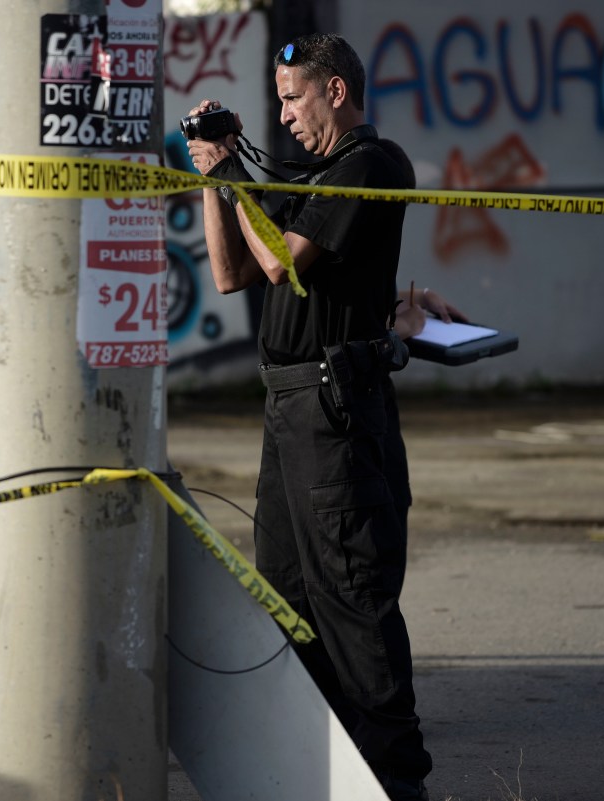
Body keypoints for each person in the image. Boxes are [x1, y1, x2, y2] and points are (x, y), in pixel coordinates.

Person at [185, 32, 433, 801]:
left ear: (334, 90)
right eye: (280, 99)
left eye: (293, 96)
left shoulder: (370, 164)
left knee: (353, 599)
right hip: (289, 406)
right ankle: (320, 771)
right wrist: (211, 178)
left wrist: (234, 175)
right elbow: (230, 273)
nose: (283, 114)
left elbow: (280, 263)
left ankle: (397, 781)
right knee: (287, 595)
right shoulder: (313, 173)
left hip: (336, 410)